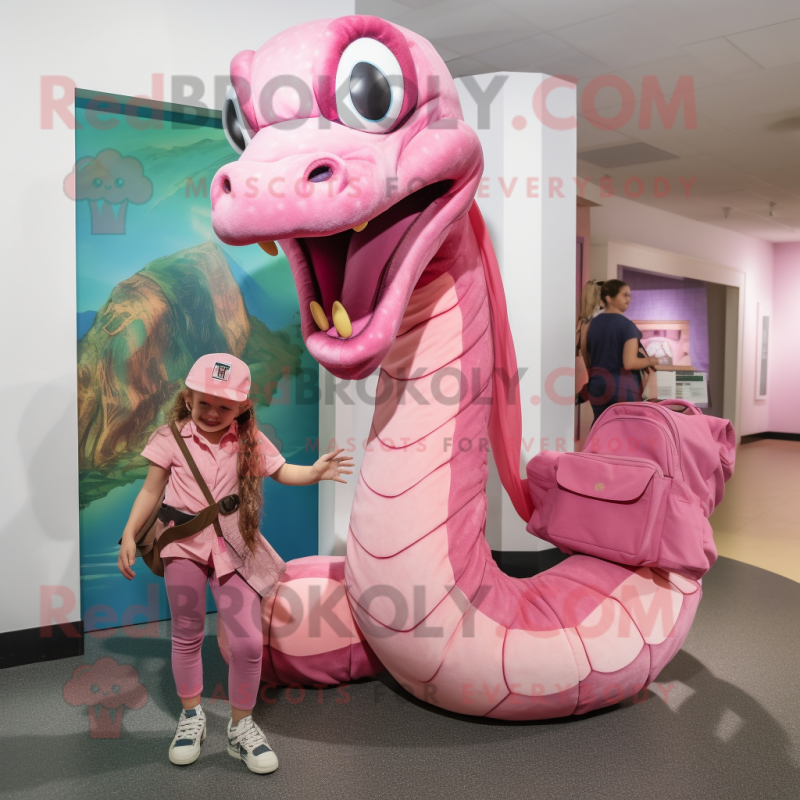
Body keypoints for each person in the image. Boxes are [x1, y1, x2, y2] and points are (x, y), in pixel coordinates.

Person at [117, 353, 353, 773]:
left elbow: (282, 472)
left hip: (234, 547)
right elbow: (151, 492)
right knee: (187, 633)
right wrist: (131, 535)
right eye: (202, 402)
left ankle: (241, 728)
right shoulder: (170, 437)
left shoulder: (250, 440)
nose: (211, 413)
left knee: (246, 642)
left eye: (223, 406)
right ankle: (192, 717)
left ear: (242, 407)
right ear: (188, 398)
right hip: (182, 546)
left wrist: (314, 472)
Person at [583, 280, 659, 422]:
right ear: (608, 298)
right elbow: (629, 363)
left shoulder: (593, 324)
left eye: (629, 295)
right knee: (626, 432)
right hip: (622, 387)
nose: (628, 299)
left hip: (597, 385)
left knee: (600, 429)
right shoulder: (627, 326)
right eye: (624, 295)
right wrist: (651, 360)